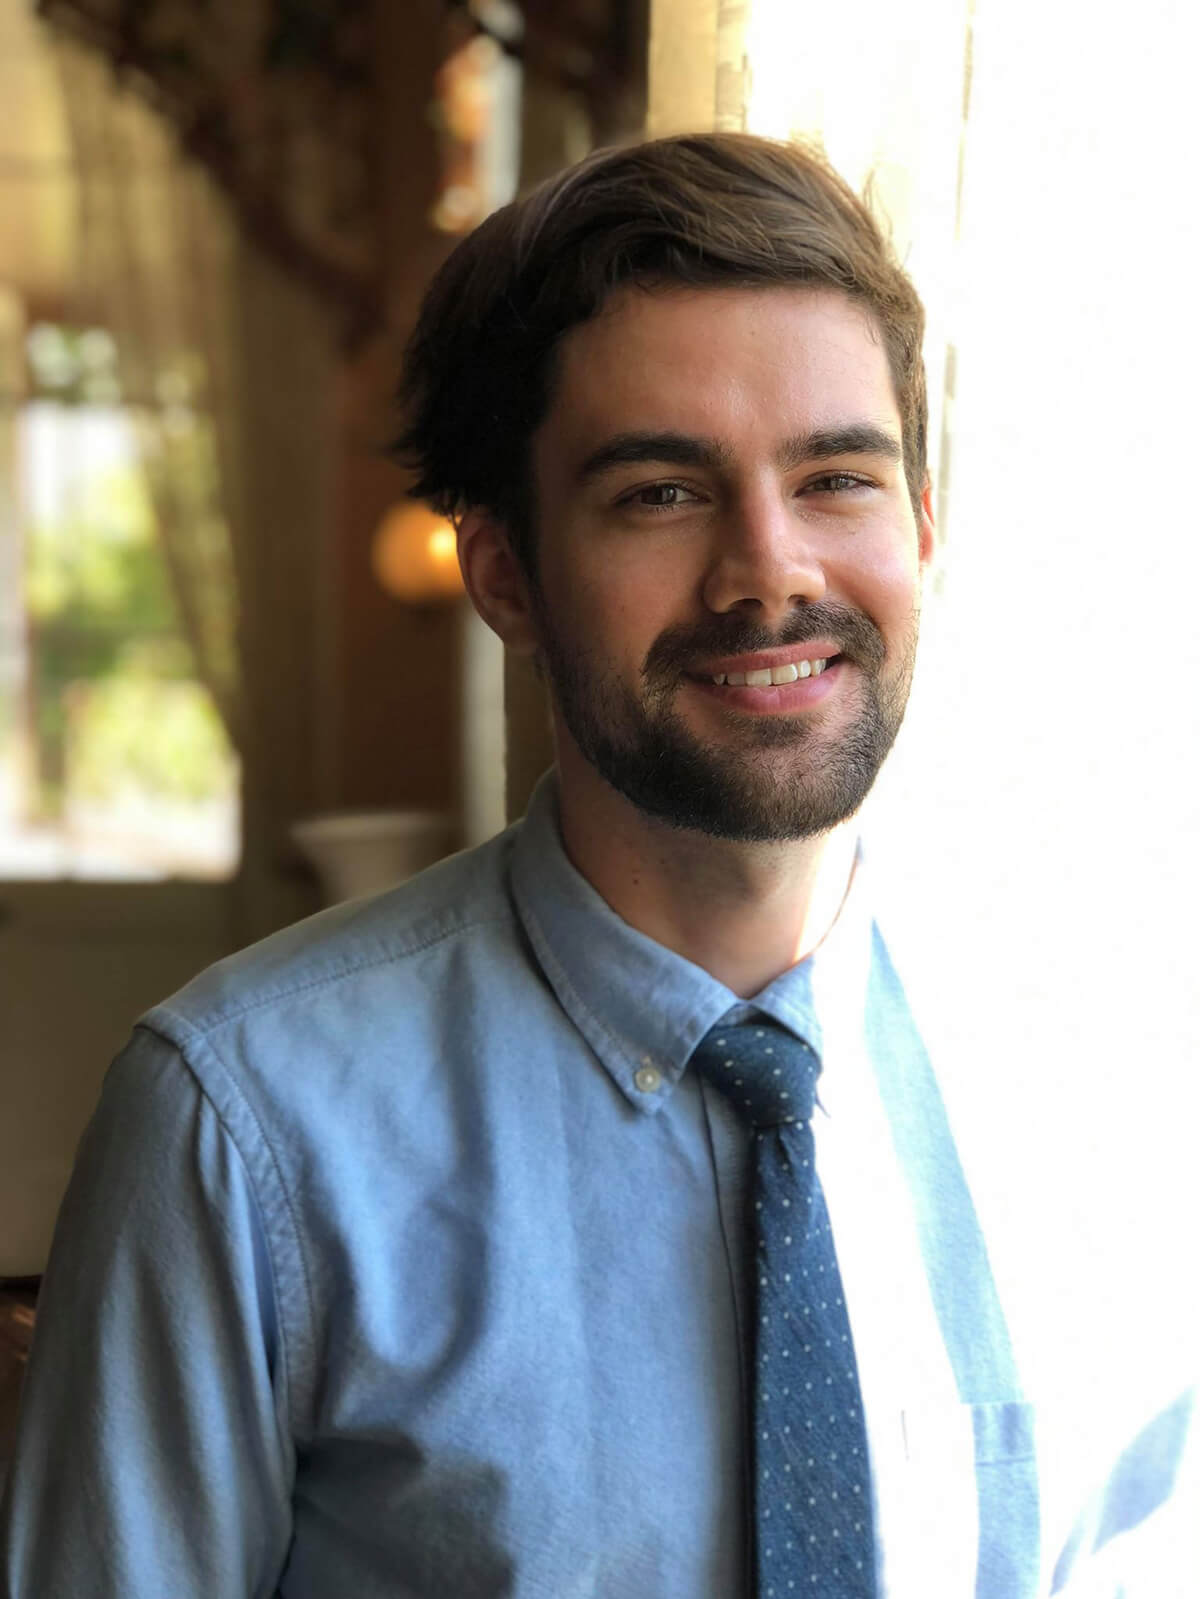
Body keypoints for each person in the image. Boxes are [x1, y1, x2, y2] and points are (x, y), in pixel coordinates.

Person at [0, 132, 1191, 1599]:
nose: (771, 572)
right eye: (661, 494)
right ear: (504, 572)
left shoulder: (1110, 1087)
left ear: (924, 526)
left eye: (836, 479)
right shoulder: (242, 1129)